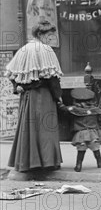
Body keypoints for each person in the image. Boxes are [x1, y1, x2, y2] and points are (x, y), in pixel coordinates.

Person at [5, 20, 63, 181]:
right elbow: (52, 77)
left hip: (27, 97)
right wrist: (58, 96)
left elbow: (12, 72)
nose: (50, 38)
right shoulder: (46, 50)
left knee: (29, 128)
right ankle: (47, 162)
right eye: (48, 35)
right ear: (40, 34)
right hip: (43, 96)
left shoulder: (24, 49)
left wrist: (17, 86)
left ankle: (28, 162)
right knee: (45, 128)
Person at [64, 87, 101, 172]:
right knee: (95, 148)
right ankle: (99, 162)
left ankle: (78, 165)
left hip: (80, 133)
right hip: (93, 132)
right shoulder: (96, 110)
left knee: (81, 150)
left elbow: (64, 111)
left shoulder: (74, 110)